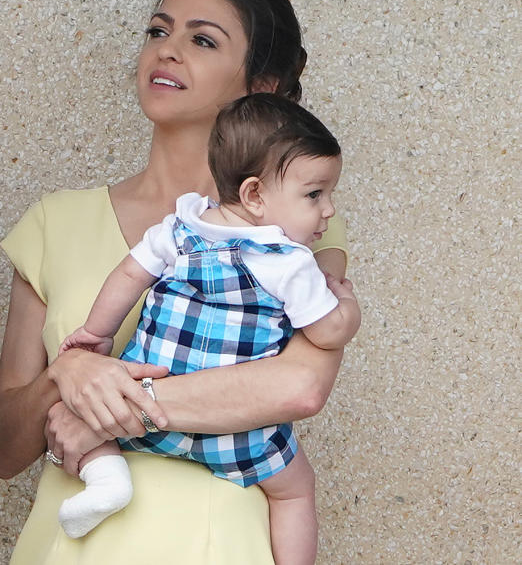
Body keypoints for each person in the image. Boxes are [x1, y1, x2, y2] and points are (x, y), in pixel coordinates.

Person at [0, 0, 355, 563]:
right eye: (159, 31)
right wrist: (68, 375)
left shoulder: (300, 227)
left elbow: (301, 386)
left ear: (260, 87)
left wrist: (102, 417)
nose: (168, 50)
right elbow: (4, 452)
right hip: (68, 544)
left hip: (216, 542)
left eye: (202, 39)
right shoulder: (56, 221)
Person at [55, 93, 360, 563]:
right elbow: (327, 334)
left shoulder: (179, 229)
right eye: (315, 194)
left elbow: (128, 275)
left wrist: (97, 333)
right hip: (238, 430)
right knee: (296, 492)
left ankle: (107, 478)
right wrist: (345, 303)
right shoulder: (289, 263)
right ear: (255, 195)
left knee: (88, 430)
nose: (329, 210)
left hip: (143, 407)